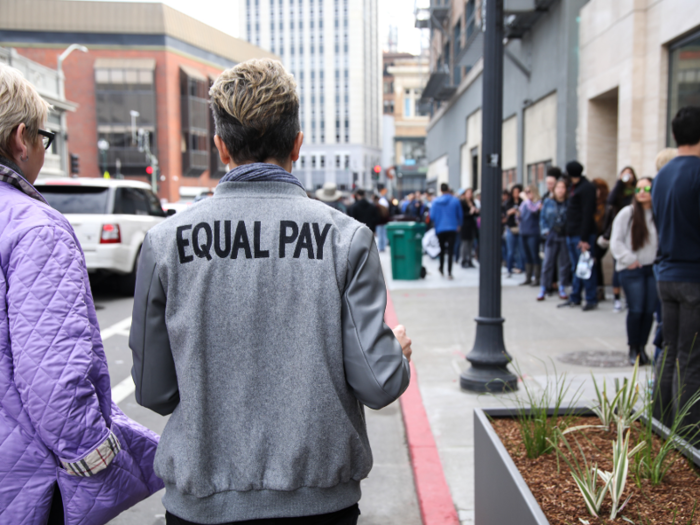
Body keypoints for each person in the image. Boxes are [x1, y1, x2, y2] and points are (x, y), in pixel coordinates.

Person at [129, 58, 412, 525]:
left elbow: (154, 390)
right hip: (319, 503)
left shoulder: (165, 243)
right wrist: (394, 355)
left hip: (202, 503)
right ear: (297, 145)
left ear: (221, 147)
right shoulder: (346, 238)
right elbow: (378, 384)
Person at [0, 63, 162, 524]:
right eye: (43, 138)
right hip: (22, 480)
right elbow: (53, 371)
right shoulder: (34, 228)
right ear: (20, 138)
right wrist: (96, 456)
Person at [651, 106, 700, 434]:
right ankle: (689, 435)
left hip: (666, 276)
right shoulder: (697, 172)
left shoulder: (661, 175)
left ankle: (660, 423)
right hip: (693, 278)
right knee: (692, 358)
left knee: (670, 352)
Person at [610, 177, 658, 366]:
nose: (642, 192)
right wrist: (630, 259)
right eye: (638, 189)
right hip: (632, 269)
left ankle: (642, 348)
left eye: (647, 188)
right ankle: (633, 349)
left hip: (653, 268)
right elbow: (616, 241)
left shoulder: (658, 213)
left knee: (648, 312)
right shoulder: (627, 213)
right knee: (636, 310)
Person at [558, 160, 599, 311]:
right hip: (572, 232)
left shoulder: (587, 188)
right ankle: (575, 296)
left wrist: (584, 238)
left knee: (586, 267)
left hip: (582, 236)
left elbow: (587, 213)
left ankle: (590, 298)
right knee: (576, 267)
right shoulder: (574, 187)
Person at [602, 166, 638, 312]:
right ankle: (617, 298)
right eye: (624, 174)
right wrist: (619, 183)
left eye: (630, 174)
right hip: (619, 230)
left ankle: (630, 298)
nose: (627, 176)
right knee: (618, 266)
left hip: (635, 231)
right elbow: (610, 201)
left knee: (634, 267)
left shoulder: (637, 190)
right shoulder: (618, 192)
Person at [538, 179, 571, 301]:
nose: (560, 190)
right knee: (547, 263)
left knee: (564, 263)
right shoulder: (548, 202)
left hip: (564, 236)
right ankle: (543, 287)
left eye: (563, 187)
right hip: (551, 236)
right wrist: (546, 231)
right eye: (558, 187)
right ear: (554, 189)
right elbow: (542, 219)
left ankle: (562, 286)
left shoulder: (569, 203)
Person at [430, 182, 463, 279]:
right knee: (451, 250)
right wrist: (459, 225)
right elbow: (460, 215)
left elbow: (432, 216)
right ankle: (449, 272)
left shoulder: (435, 202)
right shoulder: (455, 200)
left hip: (440, 228)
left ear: (440, 190)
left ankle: (441, 268)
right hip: (452, 228)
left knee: (442, 249)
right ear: (448, 189)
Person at [518, 184, 542, 286]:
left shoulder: (538, 203)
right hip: (523, 232)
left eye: (529, 192)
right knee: (526, 255)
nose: (527, 194)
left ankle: (537, 278)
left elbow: (534, 210)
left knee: (534, 255)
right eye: (526, 192)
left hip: (533, 233)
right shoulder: (524, 204)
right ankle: (528, 277)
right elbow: (520, 215)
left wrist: (526, 200)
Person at [592, 178, 610, 301]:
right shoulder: (592, 203)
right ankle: (597, 289)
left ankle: (599, 290)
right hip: (592, 237)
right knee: (594, 263)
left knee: (596, 261)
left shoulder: (607, 205)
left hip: (602, 238)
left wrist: (605, 236)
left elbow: (610, 222)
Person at [504, 184, 524, 278]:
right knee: (511, 250)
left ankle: (521, 267)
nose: (516, 194)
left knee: (520, 249)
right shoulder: (508, 202)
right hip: (511, 227)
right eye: (514, 192)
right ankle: (509, 268)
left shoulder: (523, 202)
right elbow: (506, 213)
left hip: (520, 227)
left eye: (518, 192)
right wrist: (512, 211)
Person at [459, 188, 479, 268]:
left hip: (472, 225)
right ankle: (464, 260)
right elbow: (462, 214)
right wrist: (470, 213)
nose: (470, 194)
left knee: (471, 243)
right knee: (465, 243)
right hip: (465, 225)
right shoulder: (462, 202)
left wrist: (476, 212)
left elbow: (474, 214)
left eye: (471, 193)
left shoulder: (472, 202)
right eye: (468, 193)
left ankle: (469, 260)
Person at [375, 185, 390, 251]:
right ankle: (382, 246)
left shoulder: (380, 204)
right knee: (383, 235)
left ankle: (381, 247)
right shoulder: (384, 202)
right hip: (383, 222)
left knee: (381, 235)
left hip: (380, 222)